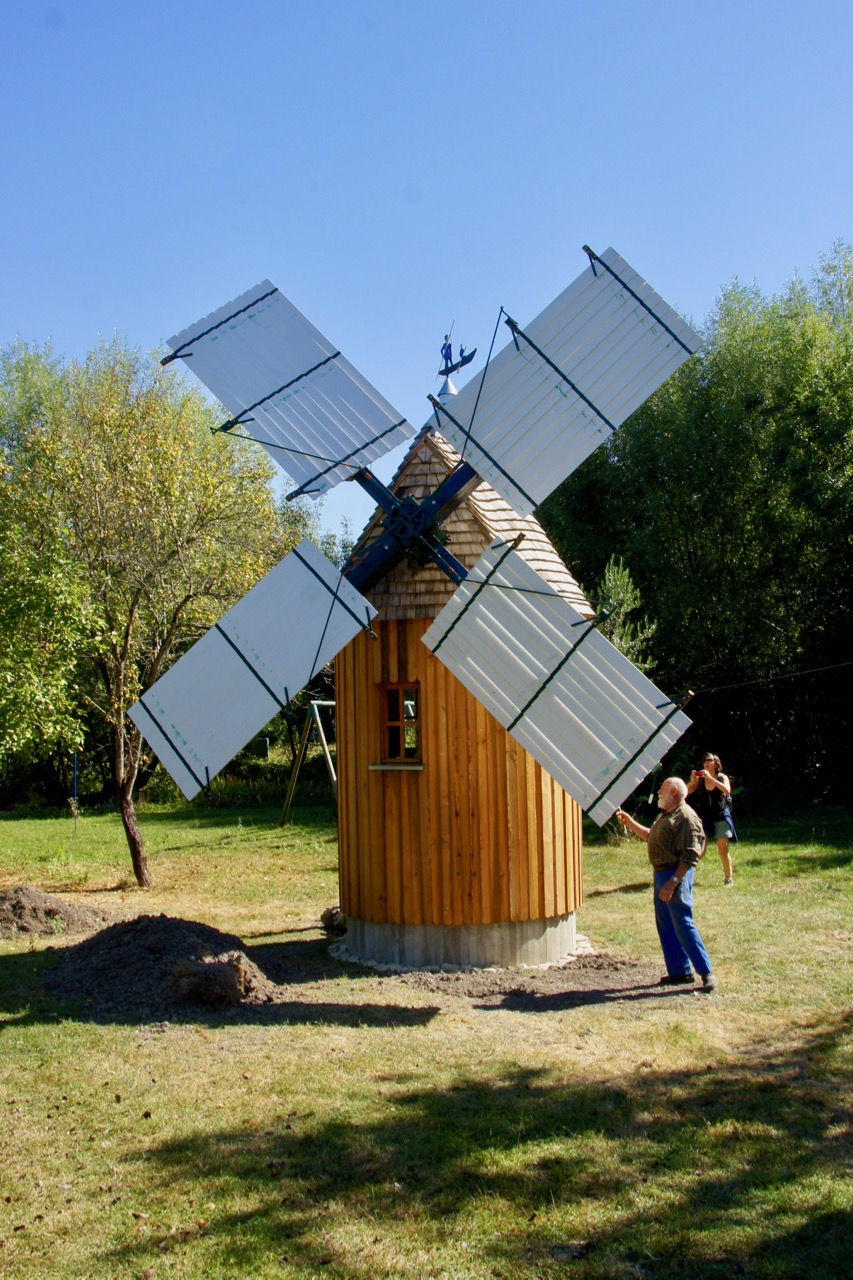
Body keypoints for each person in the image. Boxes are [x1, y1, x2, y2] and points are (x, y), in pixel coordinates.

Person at [615, 777, 717, 991]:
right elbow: (650, 836)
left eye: (662, 789)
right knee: (666, 925)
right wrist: (630, 822)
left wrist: (673, 882)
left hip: (675, 874)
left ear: (673, 791)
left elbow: (690, 855)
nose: (659, 792)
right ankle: (680, 972)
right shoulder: (666, 815)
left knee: (682, 922)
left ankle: (707, 973)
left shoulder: (687, 817)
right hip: (661, 874)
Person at [687, 752, 737, 886]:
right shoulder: (701, 779)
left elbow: (727, 790)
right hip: (704, 816)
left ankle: (728, 879)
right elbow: (686, 791)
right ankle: (686, 878)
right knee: (700, 850)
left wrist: (711, 778)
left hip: (720, 814)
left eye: (709, 760)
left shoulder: (722, 777)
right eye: (704, 760)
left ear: (716, 763)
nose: (706, 763)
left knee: (723, 849)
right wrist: (693, 780)